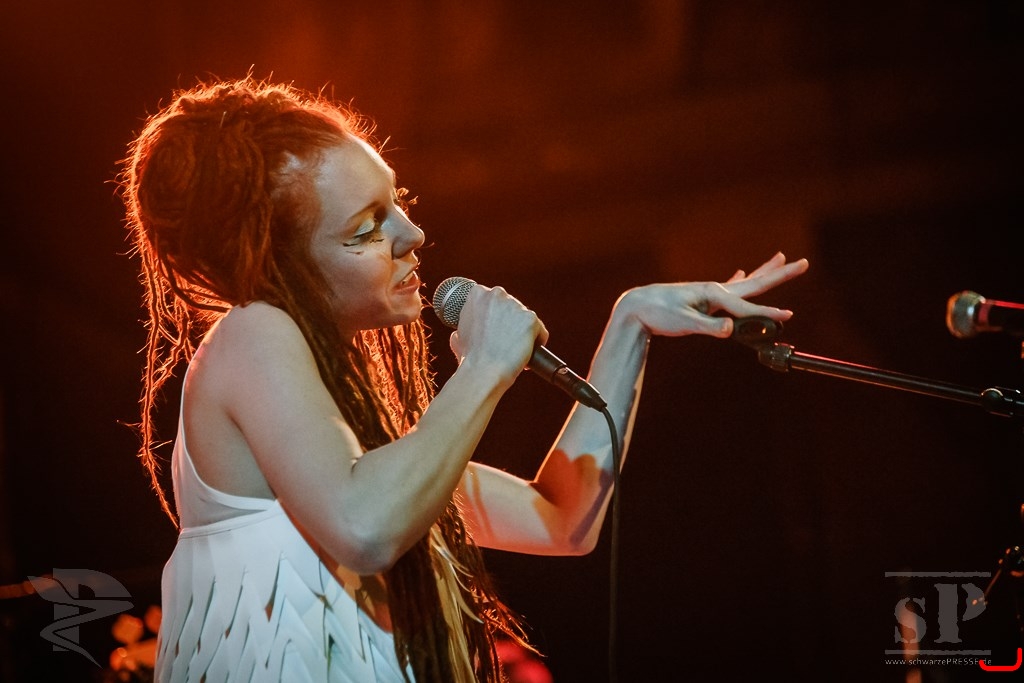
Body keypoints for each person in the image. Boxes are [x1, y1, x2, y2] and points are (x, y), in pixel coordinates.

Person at [118, 75, 809, 683]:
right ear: (281, 257)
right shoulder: (251, 332)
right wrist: (483, 368)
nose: (411, 233)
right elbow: (363, 527)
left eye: (396, 201)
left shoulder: (361, 445)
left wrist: (630, 323)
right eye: (367, 226)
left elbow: (561, 517)